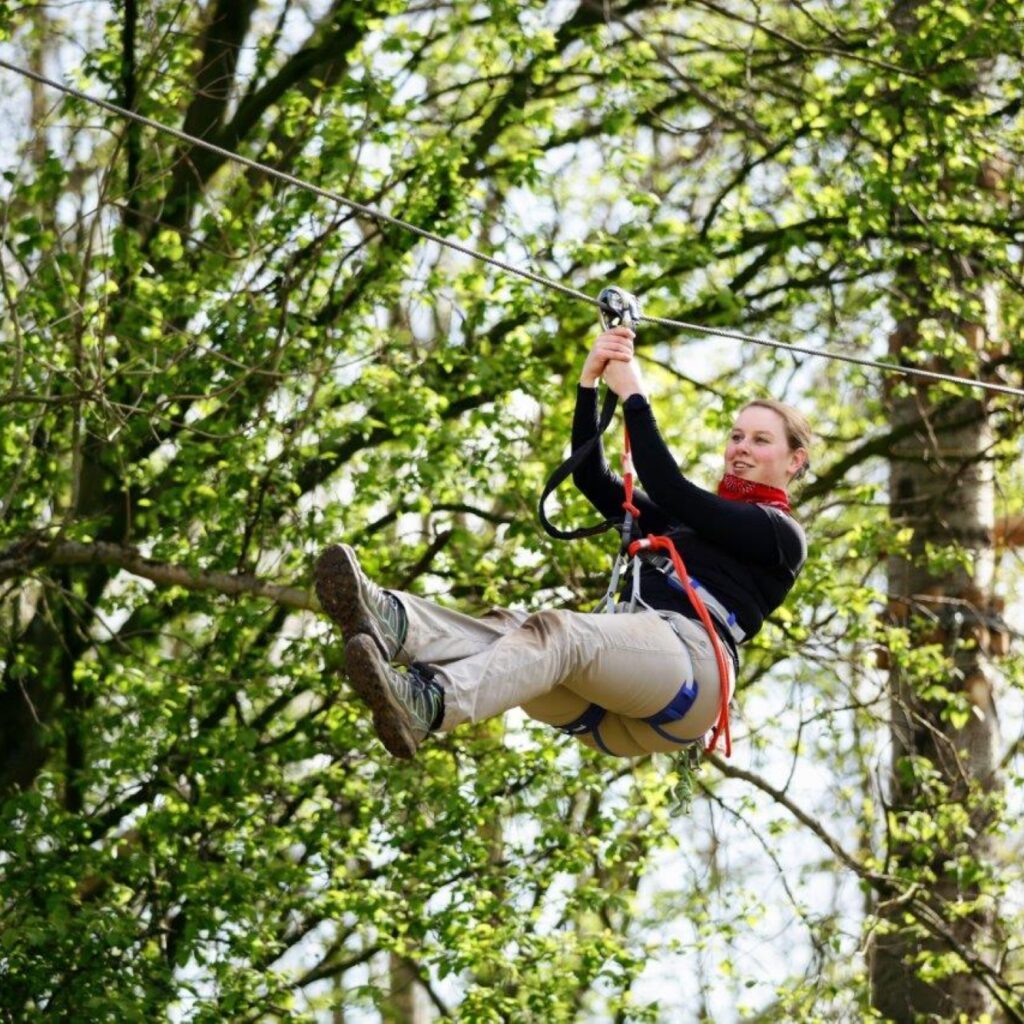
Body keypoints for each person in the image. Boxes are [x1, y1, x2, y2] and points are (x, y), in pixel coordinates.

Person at [315, 326, 809, 760]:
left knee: (561, 631)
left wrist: (634, 393)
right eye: (737, 436)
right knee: (514, 629)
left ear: (794, 462)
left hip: (691, 674)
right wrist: (589, 385)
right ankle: (393, 620)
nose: (741, 448)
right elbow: (592, 479)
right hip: (608, 700)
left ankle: (430, 705)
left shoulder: (779, 534)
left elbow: (671, 486)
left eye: (760, 441)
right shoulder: (685, 523)